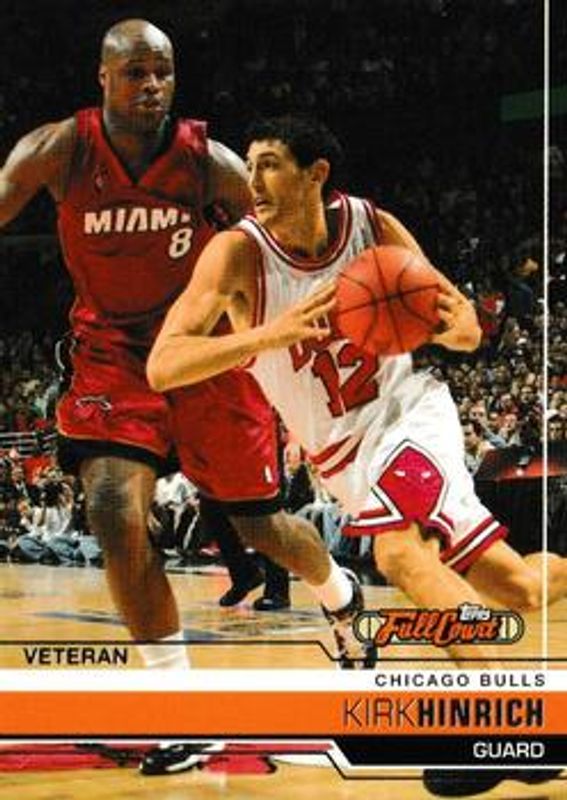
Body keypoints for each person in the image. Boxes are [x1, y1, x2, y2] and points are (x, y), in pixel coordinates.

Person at [147, 114, 566, 788]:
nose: (254, 181)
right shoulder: (236, 254)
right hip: (342, 461)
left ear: (316, 174)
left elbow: (462, 327)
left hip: (407, 417)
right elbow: (164, 366)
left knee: (397, 553)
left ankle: (501, 725)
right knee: (520, 589)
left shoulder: (373, 228)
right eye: (249, 166)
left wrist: (448, 326)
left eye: (270, 164)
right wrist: (270, 334)